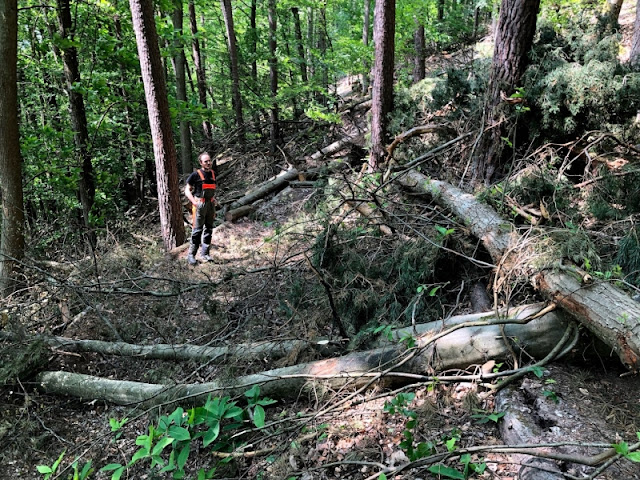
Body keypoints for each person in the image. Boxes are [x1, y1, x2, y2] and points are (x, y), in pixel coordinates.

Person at [185, 152, 218, 265]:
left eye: (209, 161)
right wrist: (194, 202)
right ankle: (191, 255)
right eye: (206, 161)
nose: (208, 163)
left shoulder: (213, 174)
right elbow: (187, 190)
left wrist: (214, 200)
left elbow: (212, 189)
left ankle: (205, 254)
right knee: (197, 230)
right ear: (201, 163)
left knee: (209, 229)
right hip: (200, 204)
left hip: (210, 205)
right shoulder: (195, 175)